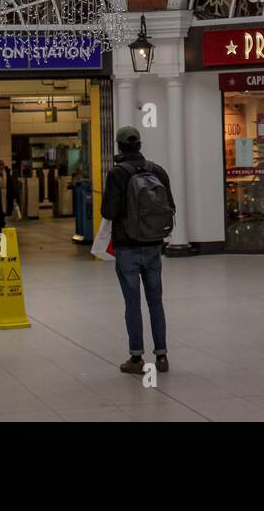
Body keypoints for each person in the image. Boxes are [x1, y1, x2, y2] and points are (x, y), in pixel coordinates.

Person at [102, 126, 175, 374]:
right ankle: (162, 356)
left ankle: (136, 358)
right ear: (139, 145)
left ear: (119, 147)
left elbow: (108, 212)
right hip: (154, 246)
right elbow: (170, 206)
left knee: (132, 303)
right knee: (156, 301)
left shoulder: (117, 174)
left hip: (127, 247)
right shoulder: (157, 171)